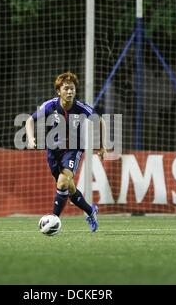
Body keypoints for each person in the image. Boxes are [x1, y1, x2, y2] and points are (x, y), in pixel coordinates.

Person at [25, 71, 107, 232]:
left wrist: (103, 145)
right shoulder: (50, 105)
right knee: (68, 188)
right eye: (66, 89)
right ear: (59, 91)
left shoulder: (81, 107)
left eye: (72, 89)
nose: (70, 92)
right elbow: (29, 120)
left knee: (62, 182)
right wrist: (30, 138)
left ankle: (53, 220)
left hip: (73, 150)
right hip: (53, 153)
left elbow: (101, 121)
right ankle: (90, 211)